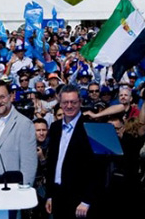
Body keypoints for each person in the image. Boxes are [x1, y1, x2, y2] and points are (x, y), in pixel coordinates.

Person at [44, 84, 107, 219]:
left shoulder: (91, 127)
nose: (69, 106)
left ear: (80, 102)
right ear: (60, 103)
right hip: (58, 195)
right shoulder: (55, 128)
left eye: (73, 102)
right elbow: (52, 163)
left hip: (81, 200)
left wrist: (87, 200)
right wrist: (50, 195)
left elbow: (99, 168)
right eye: (65, 102)